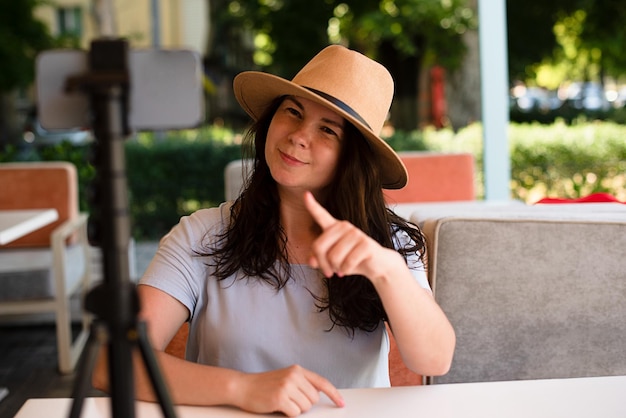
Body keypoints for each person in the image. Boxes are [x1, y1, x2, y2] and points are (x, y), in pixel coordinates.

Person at [93, 44, 455, 417]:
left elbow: (434, 360)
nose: (299, 135)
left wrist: (387, 270)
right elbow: (113, 362)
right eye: (292, 112)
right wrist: (242, 388)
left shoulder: (388, 245)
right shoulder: (201, 234)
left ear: (354, 159)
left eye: (327, 130)